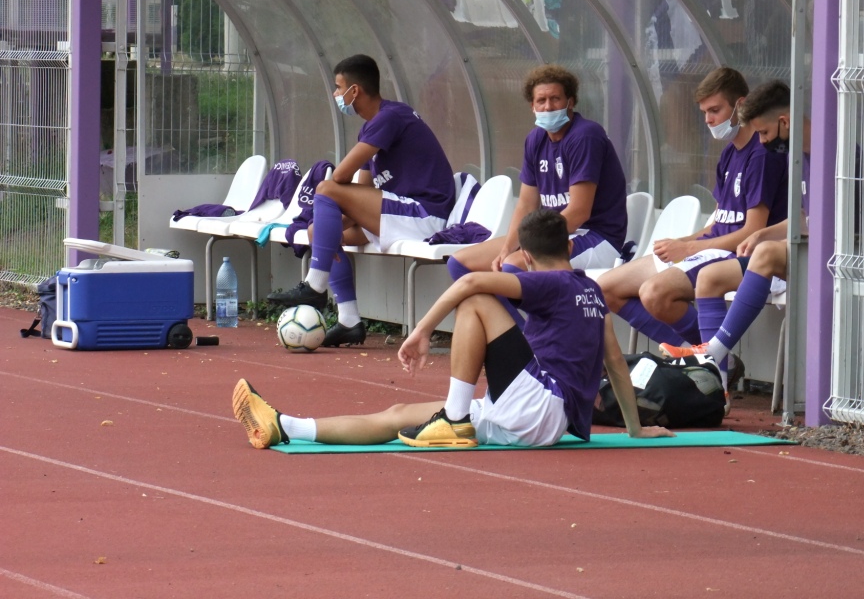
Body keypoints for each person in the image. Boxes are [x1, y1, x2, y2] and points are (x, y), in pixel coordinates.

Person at [233, 210, 674, 449]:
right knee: (398, 413)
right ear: (571, 246)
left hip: (539, 404)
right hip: (539, 415)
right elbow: (615, 362)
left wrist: (421, 330)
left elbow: (469, 282)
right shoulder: (591, 290)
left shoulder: (549, 283)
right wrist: (635, 429)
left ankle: (455, 420)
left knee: (478, 301)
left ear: (525, 256)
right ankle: (286, 426)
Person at [597, 67, 788, 358]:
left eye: (715, 110)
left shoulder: (762, 154)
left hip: (736, 255)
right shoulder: (728, 153)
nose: (708, 120)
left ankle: (710, 359)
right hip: (711, 248)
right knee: (605, 288)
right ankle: (704, 356)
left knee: (654, 293)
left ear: (740, 105)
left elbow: (752, 231)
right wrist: (682, 242)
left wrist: (687, 248)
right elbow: (720, 221)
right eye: (704, 112)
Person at [267, 54, 455, 347]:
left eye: (339, 87)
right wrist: (330, 226)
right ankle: (349, 321)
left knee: (326, 188)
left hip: (424, 213)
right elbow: (360, 192)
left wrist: (332, 200)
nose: (335, 94)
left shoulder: (389, 117)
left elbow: (340, 177)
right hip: (399, 213)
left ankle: (315, 286)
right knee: (319, 232)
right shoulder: (372, 126)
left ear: (355, 90)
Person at [661, 80, 810, 412]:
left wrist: (762, 237)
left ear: (784, 122)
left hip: (832, 255)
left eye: (764, 133)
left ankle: (712, 354)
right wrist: (763, 234)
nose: (762, 141)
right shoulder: (795, 154)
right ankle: (716, 390)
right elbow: (805, 216)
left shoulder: (824, 154)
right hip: (796, 249)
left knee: (765, 252)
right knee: (709, 277)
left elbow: (831, 223)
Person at [449, 65, 628, 285]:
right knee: (460, 263)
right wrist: (507, 248)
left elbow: (579, 212)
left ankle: (531, 309)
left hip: (595, 236)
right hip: (551, 234)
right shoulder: (535, 139)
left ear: (570, 102)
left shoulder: (585, 136)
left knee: (513, 266)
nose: (548, 106)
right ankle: (505, 310)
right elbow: (526, 205)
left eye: (555, 99)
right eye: (541, 101)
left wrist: (531, 243)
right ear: (532, 106)